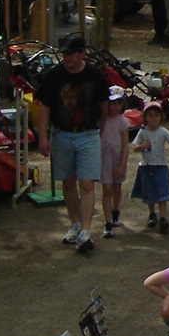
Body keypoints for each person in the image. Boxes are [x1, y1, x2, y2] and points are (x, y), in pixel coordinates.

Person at [36, 32, 110, 253]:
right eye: (64, 55)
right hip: (62, 134)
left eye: (70, 54)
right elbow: (45, 106)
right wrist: (42, 136)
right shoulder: (54, 76)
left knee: (87, 183)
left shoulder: (95, 75)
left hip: (88, 134)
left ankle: (86, 231)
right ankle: (75, 223)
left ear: (81, 54)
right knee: (68, 182)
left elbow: (104, 105)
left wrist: (101, 131)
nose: (66, 58)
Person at [130, 100, 169, 233]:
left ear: (160, 117)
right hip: (146, 166)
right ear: (145, 117)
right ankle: (152, 214)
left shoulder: (163, 131)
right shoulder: (142, 132)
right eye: (150, 115)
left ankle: (163, 217)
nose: (153, 118)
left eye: (156, 115)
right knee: (149, 192)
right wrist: (142, 146)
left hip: (160, 165)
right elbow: (134, 147)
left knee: (162, 192)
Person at [99, 88, 131, 238]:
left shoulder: (122, 121)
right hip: (104, 158)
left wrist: (122, 163)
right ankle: (107, 222)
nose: (115, 107)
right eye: (112, 103)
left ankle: (115, 211)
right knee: (107, 189)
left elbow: (125, 145)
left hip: (117, 158)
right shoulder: (101, 120)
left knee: (117, 186)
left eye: (118, 103)